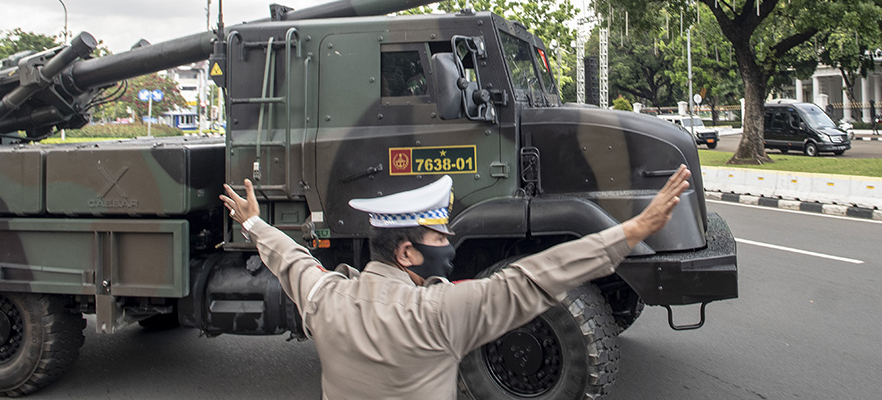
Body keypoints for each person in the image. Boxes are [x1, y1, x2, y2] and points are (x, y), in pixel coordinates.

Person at [220, 165, 692, 400]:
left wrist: (254, 225)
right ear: (407, 253)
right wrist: (631, 232)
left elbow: (290, 259)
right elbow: (532, 279)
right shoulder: (439, 313)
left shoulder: (324, 298)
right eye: (438, 233)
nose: (449, 241)